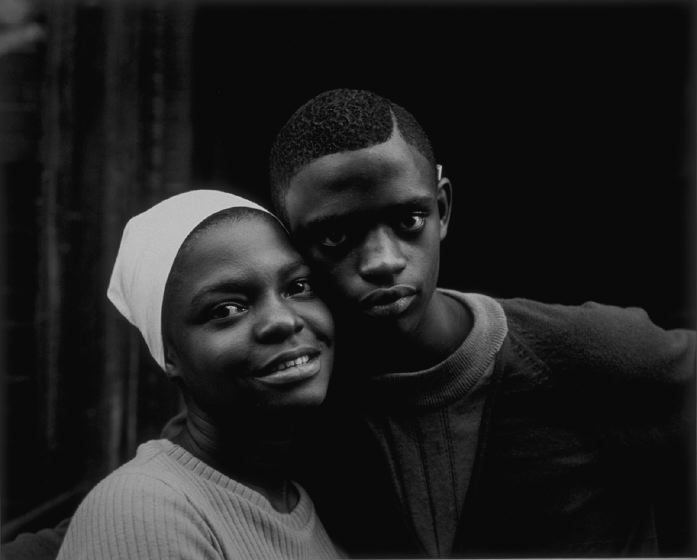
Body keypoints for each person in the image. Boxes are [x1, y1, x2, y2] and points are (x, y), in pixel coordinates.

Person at [266, 88, 696, 557]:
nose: (384, 261)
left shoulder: (589, 352)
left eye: (409, 219)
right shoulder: (295, 403)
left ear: (442, 209)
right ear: (290, 248)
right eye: (335, 236)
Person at [53, 190, 342, 559]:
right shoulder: (146, 510)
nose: (283, 321)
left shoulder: (302, 500)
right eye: (226, 309)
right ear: (169, 355)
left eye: (297, 287)